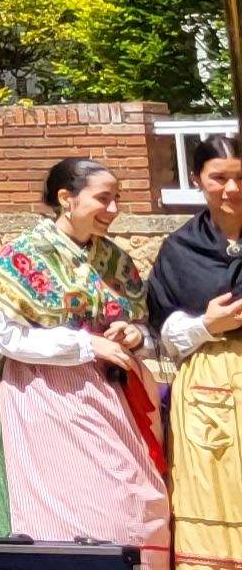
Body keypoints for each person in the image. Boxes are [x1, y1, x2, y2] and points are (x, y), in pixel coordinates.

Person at [0, 156, 170, 555]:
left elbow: (144, 326)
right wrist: (85, 345)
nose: (113, 210)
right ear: (66, 198)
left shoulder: (113, 260)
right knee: (81, 511)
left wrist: (133, 334)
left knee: (139, 507)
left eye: (117, 199)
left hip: (113, 397)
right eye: (103, 199)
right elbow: (2, 334)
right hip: (43, 395)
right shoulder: (26, 254)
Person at [152, 134, 242, 567]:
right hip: (206, 391)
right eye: (219, 178)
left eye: (241, 177)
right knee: (210, 489)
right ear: (197, 180)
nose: (232, 189)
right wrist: (208, 325)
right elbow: (163, 329)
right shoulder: (179, 249)